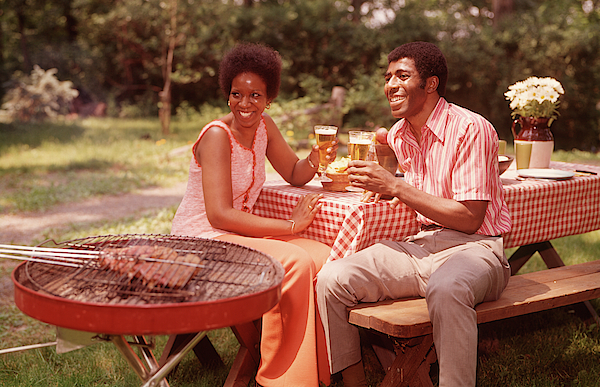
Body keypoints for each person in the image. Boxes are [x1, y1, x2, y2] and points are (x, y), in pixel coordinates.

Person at [315, 41, 512, 387]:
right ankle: (354, 382)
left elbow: (470, 217)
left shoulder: (471, 128)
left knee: (447, 287)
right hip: (420, 246)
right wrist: (389, 183)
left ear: (431, 84)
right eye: (388, 77)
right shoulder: (399, 134)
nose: (390, 85)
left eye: (402, 76)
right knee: (331, 279)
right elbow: (414, 186)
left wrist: (396, 187)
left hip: (476, 249)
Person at [172, 43, 335, 387]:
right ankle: (280, 377)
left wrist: (315, 158)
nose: (245, 104)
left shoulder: (264, 127)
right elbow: (219, 216)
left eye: (255, 95)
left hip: (237, 236)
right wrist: (290, 226)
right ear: (226, 94)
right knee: (294, 261)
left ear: (269, 98)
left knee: (323, 254)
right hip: (202, 241)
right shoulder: (217, 136)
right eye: (237, 94)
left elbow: (293, 171)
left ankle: (314, 369)